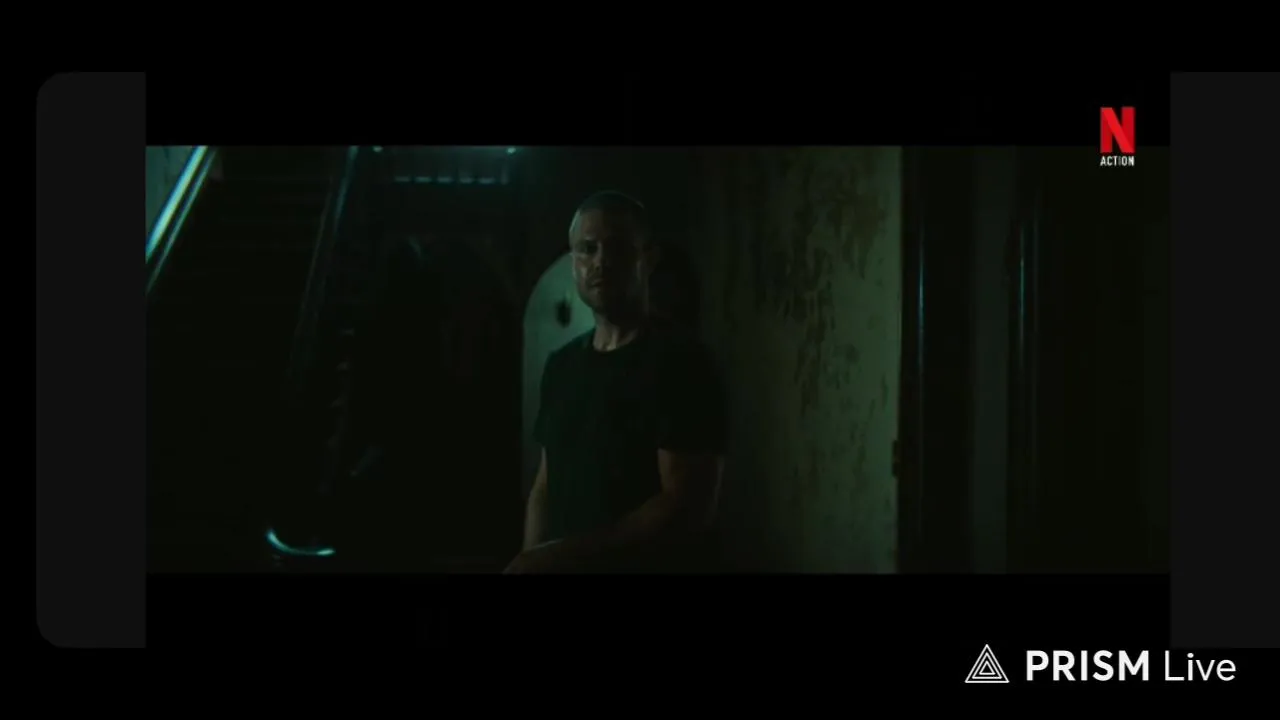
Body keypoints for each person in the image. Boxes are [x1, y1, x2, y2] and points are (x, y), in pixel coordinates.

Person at [504, 191, 727, 574]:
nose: (601, 261)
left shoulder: (683, 364)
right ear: (573, 262)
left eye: (618, 247)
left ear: (648, 259)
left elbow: (686, 507)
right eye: (587, 249)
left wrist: (561, 556)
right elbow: (545, 483)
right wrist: (532, 557)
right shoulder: (561, 366)